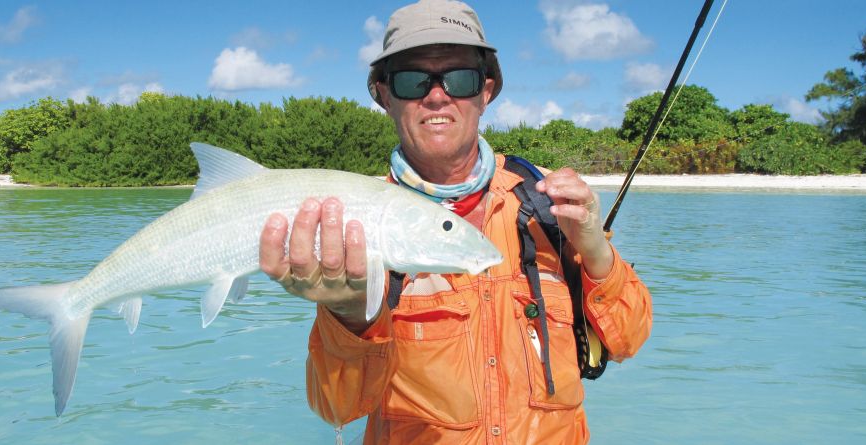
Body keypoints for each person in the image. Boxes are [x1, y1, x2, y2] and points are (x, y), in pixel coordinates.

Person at [258, 0, 652, 443]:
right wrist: (348, 314)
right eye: (411, 80)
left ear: (486, 92)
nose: (437, 95)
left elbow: (628, 341)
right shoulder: (357, 223)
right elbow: (337, 408)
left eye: (459, 78)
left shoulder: (547, 205)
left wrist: (596, 251)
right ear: (384, 96)